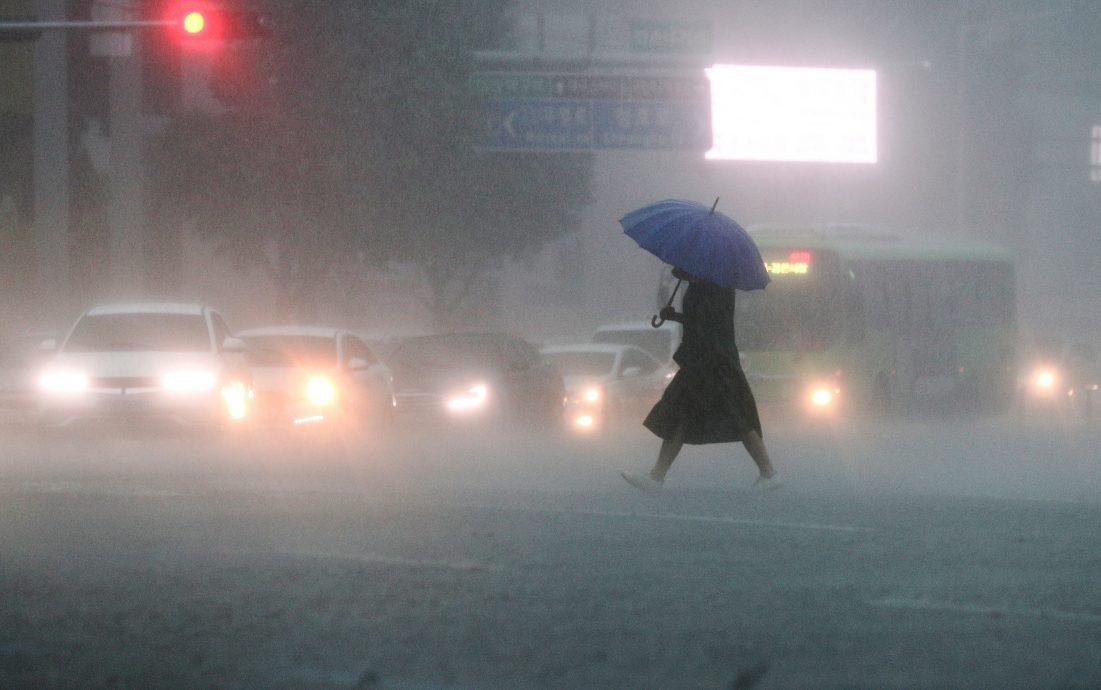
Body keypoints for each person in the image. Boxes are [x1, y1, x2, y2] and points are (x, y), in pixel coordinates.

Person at [622, 266, 780, 493]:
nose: (679, 268)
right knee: (684, 415)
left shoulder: (715, 286)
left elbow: (707, 322)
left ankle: (769, 472)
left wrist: (676, 314)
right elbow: (701, 320)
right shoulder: (709, 284)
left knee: (733, 414)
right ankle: (657, 475)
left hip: (712, 361)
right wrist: (674, 315)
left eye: (684, 265)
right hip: (704, 359)